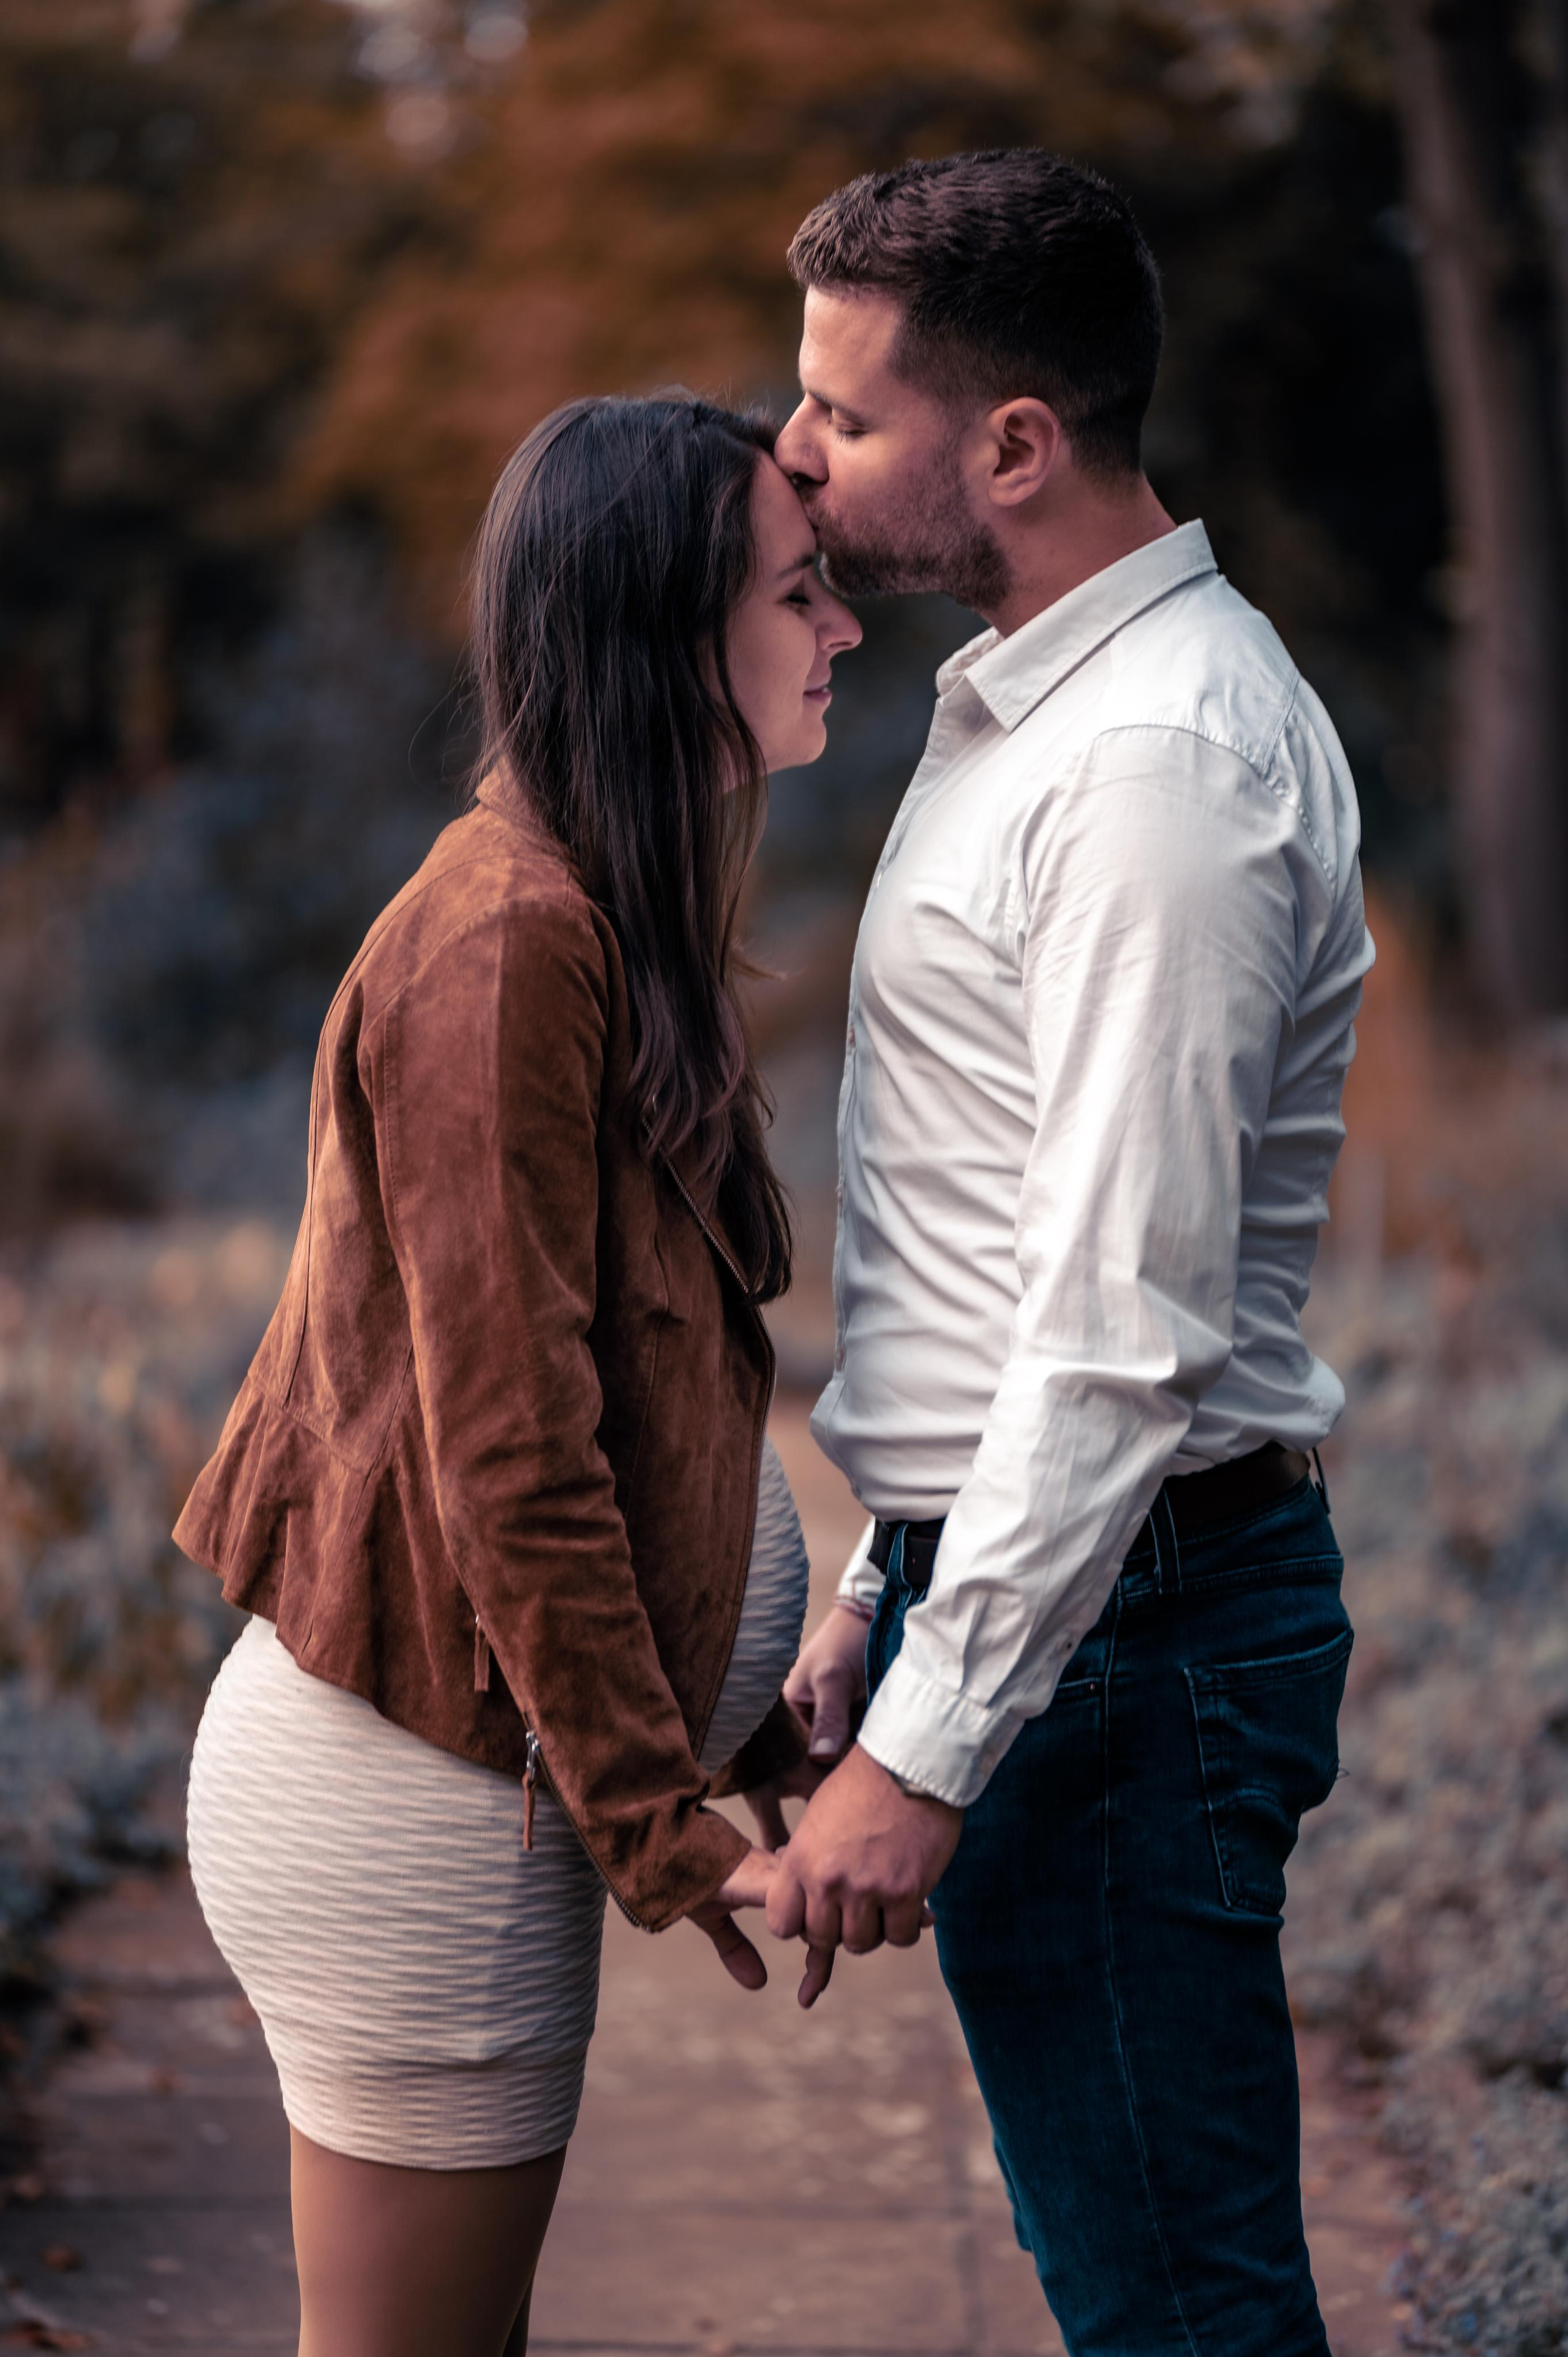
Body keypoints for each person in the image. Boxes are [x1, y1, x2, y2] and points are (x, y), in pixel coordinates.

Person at [756, 151, 1374, 2356]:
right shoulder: (1042, 706)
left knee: (1182, 2315)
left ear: (1013, 445)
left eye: (839, 409)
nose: (795, 450)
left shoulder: (1154, 771)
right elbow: (1006, 1236)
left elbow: (1121, 1331)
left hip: (1132, 1638)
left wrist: (925, 1753)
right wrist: (881, 1581)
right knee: (1140, 2282)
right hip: (1075, 1605)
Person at [176, 394, 859, 2357]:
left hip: (479, 1795)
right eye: (800, 591)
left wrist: (731, 1739)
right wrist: (655, 1824)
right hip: (420, 1809)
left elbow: (627, 1430)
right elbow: (514, 1452)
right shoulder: (499, 951)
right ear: (665, 633)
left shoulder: (591, 923)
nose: (845, 629)